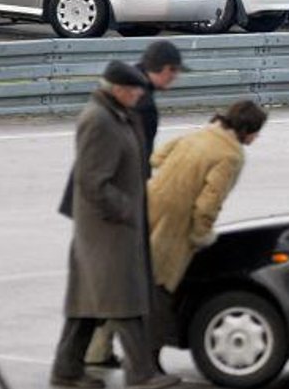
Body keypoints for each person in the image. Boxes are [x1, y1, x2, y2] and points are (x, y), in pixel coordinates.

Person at [50, 61, 180, 389]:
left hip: (108, 230)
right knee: (125, 303)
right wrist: (125, 209)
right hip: (106, 230)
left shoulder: (116, 116)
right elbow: (92, 180)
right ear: (118, 89)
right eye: (135, 90)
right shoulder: (99, 121)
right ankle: (141, 374)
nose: (139, 95)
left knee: (90, 304)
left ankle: (66, 372)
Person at [77, 42, 187, 370]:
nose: (176, 79)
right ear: (165, 69)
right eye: (175, 72)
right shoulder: (141, 103)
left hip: (104, 203)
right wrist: (132, 204)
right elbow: (135, 157)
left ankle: (93, 353)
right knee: (122, 281)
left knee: (103, 282)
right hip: (113, 204)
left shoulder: (125, 93)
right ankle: (136, 367)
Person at [147, 101, 267, 355]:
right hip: (175, 224)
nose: (257, 137)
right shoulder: (231, 155)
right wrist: (201, 236)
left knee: (127, 282)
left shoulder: (199, 134)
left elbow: (156, 158)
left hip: (147, 209)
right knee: (160, 290)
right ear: (246, 129)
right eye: (256, 131)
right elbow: (207, 204)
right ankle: (147, 361)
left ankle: (97, 351)